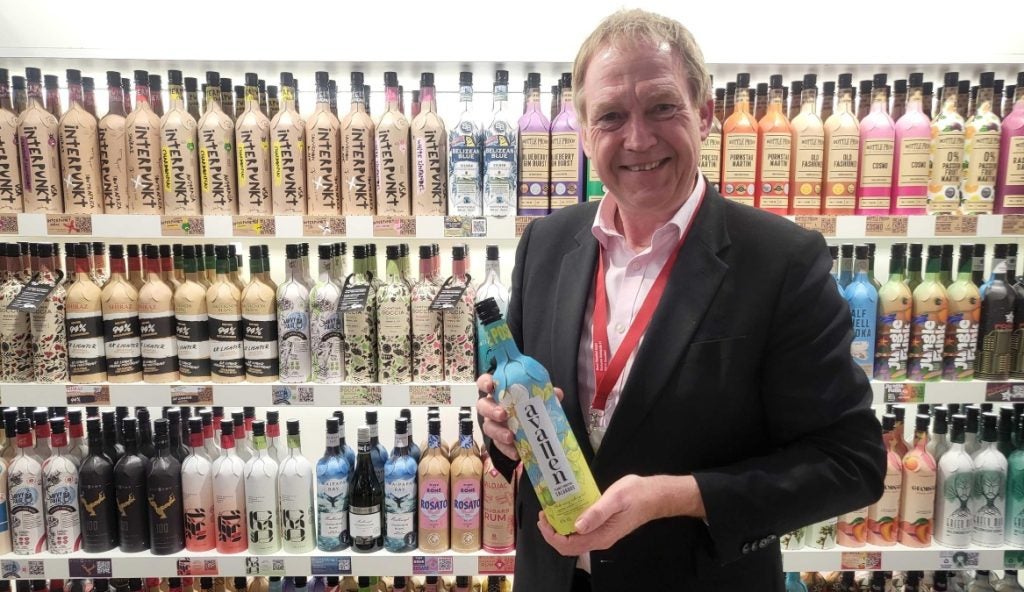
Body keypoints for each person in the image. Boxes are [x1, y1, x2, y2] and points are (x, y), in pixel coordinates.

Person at [476, 9, 886, 591]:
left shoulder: (781, 260)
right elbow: (516, 414)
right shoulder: (545, 244)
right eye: (611, 116)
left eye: (663, 107)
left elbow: (851, 463)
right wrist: (499, 431)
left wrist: (679, 496)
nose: (638, 139)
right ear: (587, 134)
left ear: (705, 112)